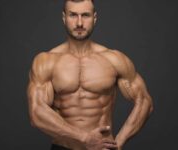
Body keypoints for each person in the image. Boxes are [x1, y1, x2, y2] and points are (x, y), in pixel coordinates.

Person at [27, 0, 153, 150]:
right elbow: (36, 112)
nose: (79, 23)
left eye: (85, 15)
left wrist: (119, 142)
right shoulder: (46, 62)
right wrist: (85, 138)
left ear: (94, 18)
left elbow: (145, 101)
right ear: (64, 17)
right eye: (73, 15)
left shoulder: (113, 59)